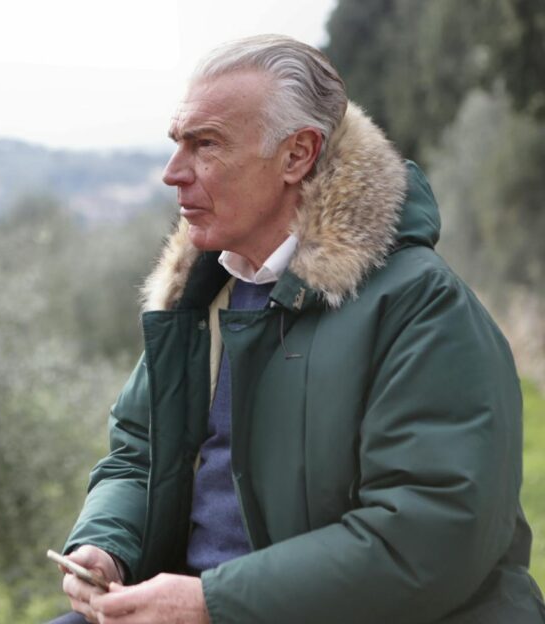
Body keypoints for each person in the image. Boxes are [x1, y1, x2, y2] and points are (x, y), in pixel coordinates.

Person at [51, 34, 545, 623]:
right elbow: (138, 454)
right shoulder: (202, 297)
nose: (172, 173)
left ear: (297, 155)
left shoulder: (423, 308)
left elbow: (427, 537)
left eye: (204, 145)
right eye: (176, 143)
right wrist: (105, 545)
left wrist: (211, 603)